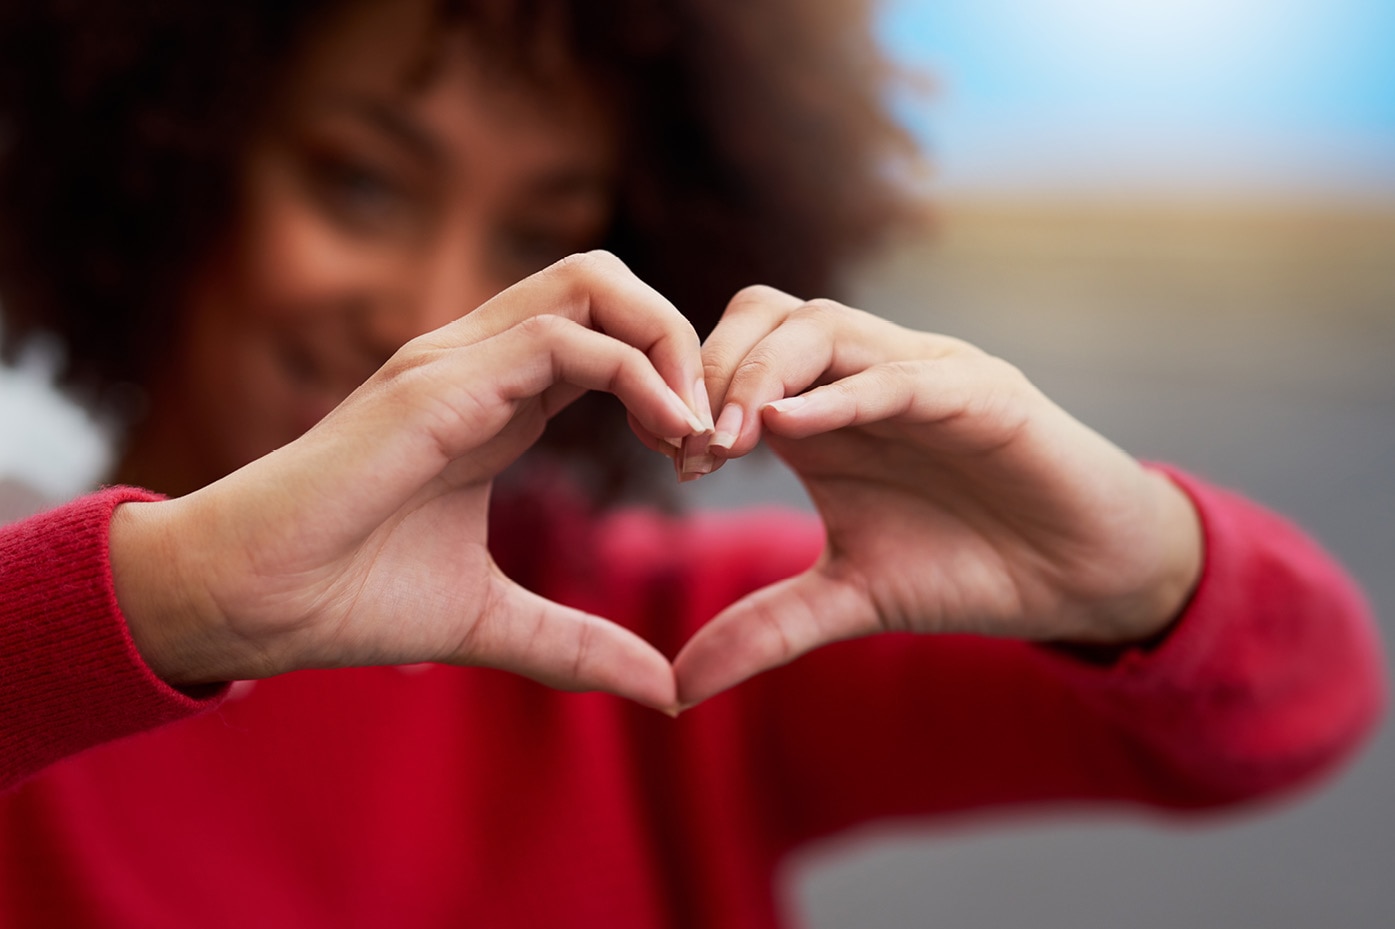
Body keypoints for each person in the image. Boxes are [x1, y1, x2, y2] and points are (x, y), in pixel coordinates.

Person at [0, 0, 1383, 926]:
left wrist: (1129, 558)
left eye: (541, 234)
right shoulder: (46, 662)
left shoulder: (672, 645)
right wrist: (165, 599)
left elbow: (1299, 712)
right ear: (166, 166)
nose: (435, 307)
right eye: (362, 182)